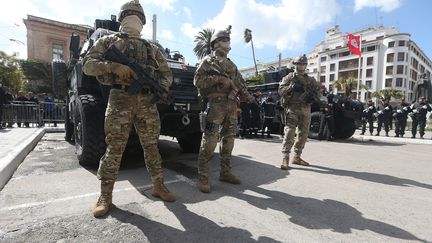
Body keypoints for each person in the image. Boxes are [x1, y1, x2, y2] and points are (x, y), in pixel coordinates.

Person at [83, 0, 176, 217]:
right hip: (120, 99)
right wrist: (114, 66)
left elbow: (167, 74)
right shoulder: (109, 41)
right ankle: (105, 196)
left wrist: (158, 88)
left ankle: (158, 185)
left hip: (146, 102)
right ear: (123, 17)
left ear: (142, 22)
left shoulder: (151, 49)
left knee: (152, 146)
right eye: (130, 14)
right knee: (114, 148)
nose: (133, 18)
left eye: (137, 14)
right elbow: (88, 65)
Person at [194, 26, 254, 193]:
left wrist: (247, 96)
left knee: (229, 140)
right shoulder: (208, 61)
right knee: (210, 141)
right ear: (215, 44)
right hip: (216, 106)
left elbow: (240, 85)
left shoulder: (232, 65)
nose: (226, 43)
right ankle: (203, 177)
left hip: (231, 106)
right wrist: (218, 79)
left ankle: (225, 172)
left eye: (228, 40)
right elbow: (198, 81)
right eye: (223, 40)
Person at [278, 54, 320, 170]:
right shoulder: (289, 77)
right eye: (299, 64)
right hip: (292, 108)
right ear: (295, 64)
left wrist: (313, 96)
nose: (301, 66)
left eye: (303, 64)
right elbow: (281, 91)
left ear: (306, 65)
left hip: (306, 109)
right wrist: (291, 87)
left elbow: (318, 93)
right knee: (290, 132)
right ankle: (285, 157)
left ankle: (297, 156)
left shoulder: (310, 80)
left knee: (304, 134)